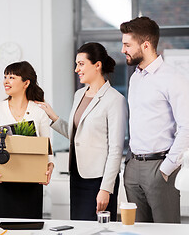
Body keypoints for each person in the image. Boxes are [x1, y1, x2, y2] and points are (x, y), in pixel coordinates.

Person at [36, 42, 127, 221]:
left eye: (81, 64)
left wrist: (105, 189)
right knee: (79, 227)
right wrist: (52, 116)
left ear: (97, 65)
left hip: (98, 180)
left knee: (99, 230)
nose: (76, 69)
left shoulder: (115, 100)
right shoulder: (79, 95)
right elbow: (78, 136)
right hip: (77, 175)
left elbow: (116, 150)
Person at [120, 16, 189, 223]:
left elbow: (188, 129)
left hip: (160, 167)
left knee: (166, 230)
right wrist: (128, 166)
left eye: (127, 45)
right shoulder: (135, 77)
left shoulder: (173, 79)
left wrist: (166, 169)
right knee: (137, 230)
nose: (123, 50)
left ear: (145, 45)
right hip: (133, 166)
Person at [0, 61, 54, 219]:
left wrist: (50, 166)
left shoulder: (38, 112)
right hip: (3, 182)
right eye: (5, 77)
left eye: (12, 77)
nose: (6, 81)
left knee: (30, 229)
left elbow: (47, 148)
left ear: (26, 83)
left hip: (32, 183)